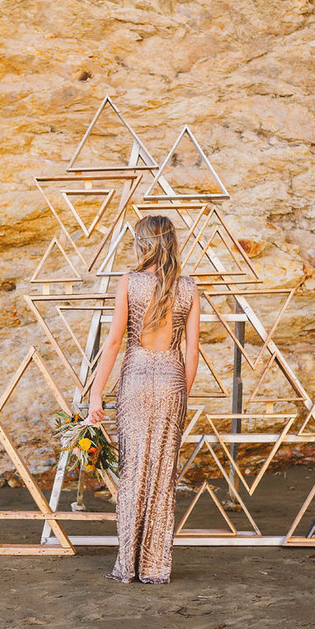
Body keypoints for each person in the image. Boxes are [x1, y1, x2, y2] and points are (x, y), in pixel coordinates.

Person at [88, 214, 200, 584]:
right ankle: (155, 567)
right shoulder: (189, 288)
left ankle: (129, 565)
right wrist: (180, 398)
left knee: (134, 470)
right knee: (162, 475)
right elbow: (192, 350)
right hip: (171, 381)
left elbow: (116, 341)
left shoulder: (129, 283)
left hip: (136, 379)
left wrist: (96, 391)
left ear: (143, 244)